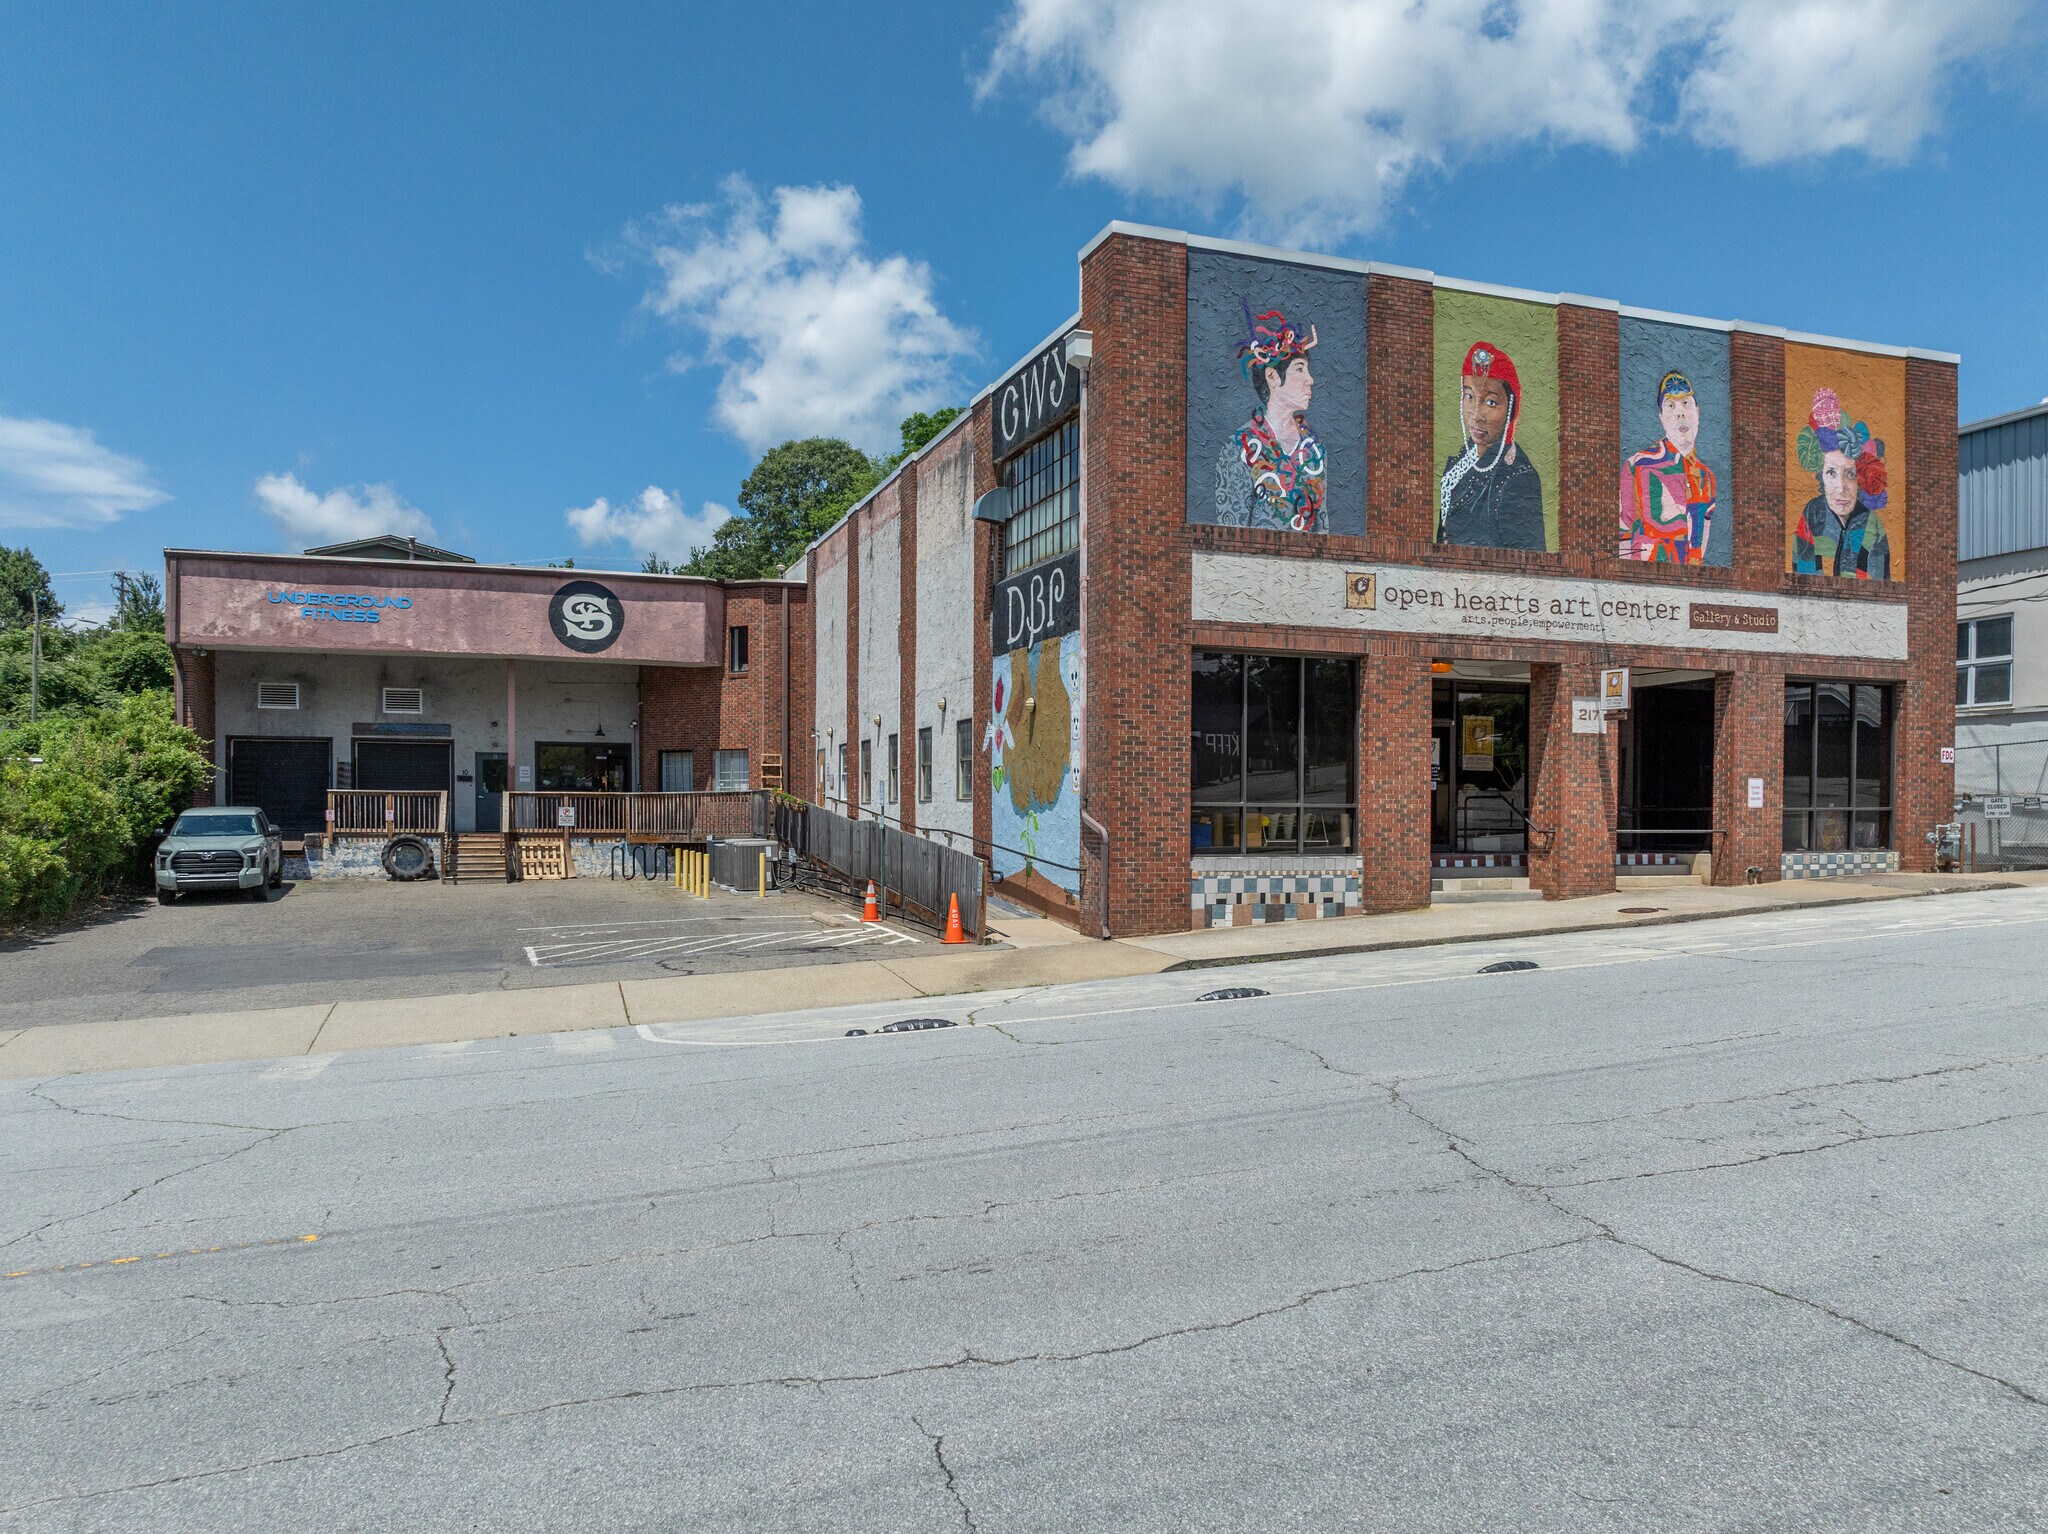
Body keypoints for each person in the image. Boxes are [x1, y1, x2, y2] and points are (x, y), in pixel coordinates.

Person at [1213, 304, 1325, 532]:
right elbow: (1231, 533)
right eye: (1300, 369)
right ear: (1272, 377)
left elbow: (1322, 529)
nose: (1310, 380)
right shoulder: (1240, 446)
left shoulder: (1313, 448)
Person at [1438, 341, 1545, 551]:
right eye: (1469, 396)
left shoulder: (1518, 477)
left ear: (1511, 409)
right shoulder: (1457, 466)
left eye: (1491, 403)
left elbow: (1531, 564)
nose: (1476, 415)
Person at [1792, 387, 1891, 579]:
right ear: (1821, 476)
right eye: (1831, 472)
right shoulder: (1813, 515)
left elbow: (1883, 588)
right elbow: (1804, 581)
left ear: (1861, 479)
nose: (1841, 486)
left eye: (1851, 474)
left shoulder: (1873, 525)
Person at [1619, 371, 1717, 563]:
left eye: (1686, 403)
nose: (1680, 413)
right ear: (1662, 417)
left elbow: (1701, 544)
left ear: (1697, 412)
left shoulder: (1706, 477)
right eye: (1670, 406)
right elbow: (1622, 534)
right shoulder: (1639, 465)